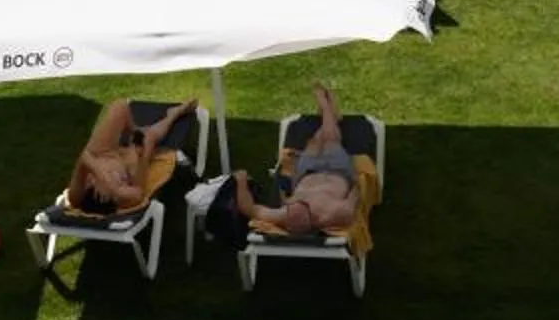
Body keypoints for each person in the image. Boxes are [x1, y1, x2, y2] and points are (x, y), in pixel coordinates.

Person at [227, 81, 362, 237]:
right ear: (313, 216)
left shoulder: (283, 214)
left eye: (292, 204)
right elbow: (356, 195)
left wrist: (240, 181)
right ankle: (326, 107)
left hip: (306, 172)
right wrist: (360, 181)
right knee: (331, 140)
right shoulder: (334, 214)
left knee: (314, 141)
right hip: (337, 171)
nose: (293, 202)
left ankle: (330, 116)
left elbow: (249, 209)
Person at [68, 99, 199, 213]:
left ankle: (134, 129)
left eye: (118, 181)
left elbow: (84, 157)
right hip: (129, 165)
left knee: (119, 107)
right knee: (149, 138)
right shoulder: (126, 198)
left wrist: (101, 174)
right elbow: (137, 191)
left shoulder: (76, 196)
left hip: (100, 154)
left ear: (92, 184)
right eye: (121, 185)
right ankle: (174, 114)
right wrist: (141, 152)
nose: (122, 181)